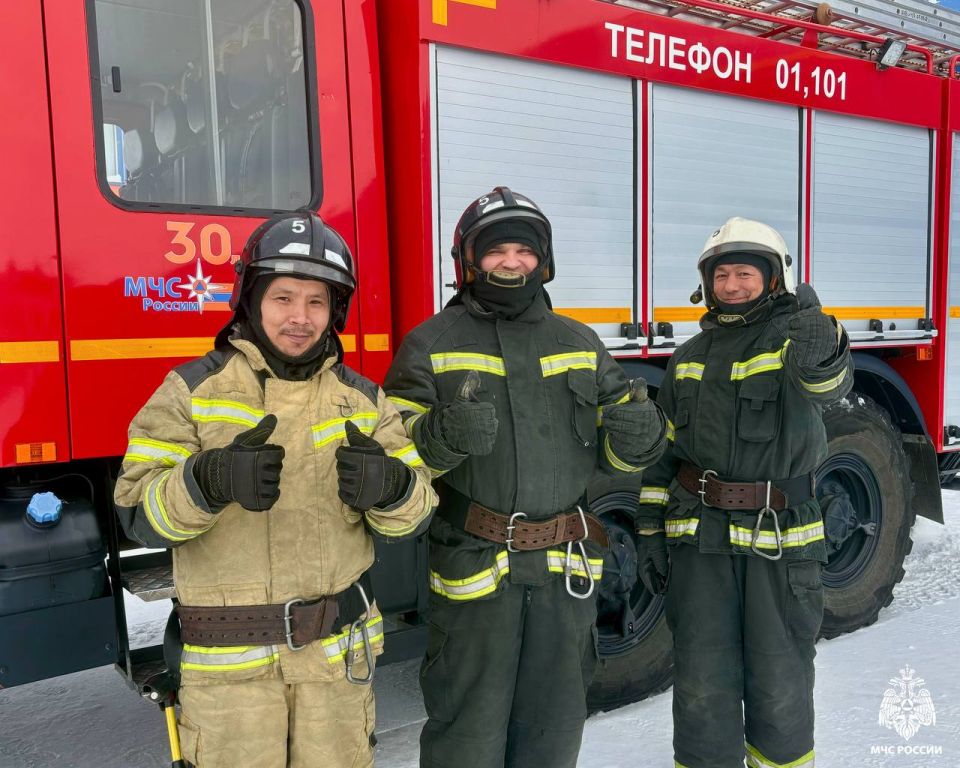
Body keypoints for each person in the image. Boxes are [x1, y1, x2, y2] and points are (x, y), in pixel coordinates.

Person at [114, 212, 437, 768]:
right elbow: (138, 515)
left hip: (336, 670)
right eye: (283, 297)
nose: (299, 317)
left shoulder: (362, 400)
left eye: (316, 302)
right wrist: (206, 481)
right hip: (230, 683)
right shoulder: (191, 391)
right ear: (251, 300)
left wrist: (392, 486)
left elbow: (417, 514)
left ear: (334, 311)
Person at [383, 186, 668, 768]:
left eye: (523, 250)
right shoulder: (429, 344)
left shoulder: (579, 342)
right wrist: (435, 436)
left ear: (545, 260)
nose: (511, 262)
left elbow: (617, 455)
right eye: (496, 251)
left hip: (564, 577)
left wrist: (640, 436)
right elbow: (395, 461)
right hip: (473, 572)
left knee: (553, 732)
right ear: (468, 260)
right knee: (467, 735)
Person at [635, 217, 854, 768]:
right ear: (707, 283)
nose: (733, 286)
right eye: (723, 275)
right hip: (698, 546)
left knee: (779, 679)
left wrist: (823, 348)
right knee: (701, 684)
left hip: (778, 544)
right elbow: (666, 452)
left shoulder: (795, 338)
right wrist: (648, 530)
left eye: (746, 274)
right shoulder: (687, 357)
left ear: (774, 278)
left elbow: (827, 385)